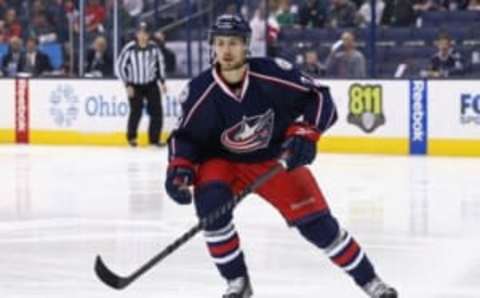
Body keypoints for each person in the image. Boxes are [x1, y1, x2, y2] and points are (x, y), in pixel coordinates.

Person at [164, 14, 397, 298]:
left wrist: (306, 133)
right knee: (211, 209)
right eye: (221, 43)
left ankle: (370, 282)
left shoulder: (272, 73)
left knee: (319, 226)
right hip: (222, 162)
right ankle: (237, 282)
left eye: (234, 43)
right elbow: (184, 137)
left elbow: (320, 97)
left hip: (273, 159)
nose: (226, 51)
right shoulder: (200, 91)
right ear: (212, 47)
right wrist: (180, 170)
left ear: (247, 46)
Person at [116, 21, 167, 147]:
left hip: (151, 84)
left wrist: (162, 81)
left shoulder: (154, 48)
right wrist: (127, 84)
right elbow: (119, 67)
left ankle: (154, 140)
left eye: (145, 33)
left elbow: (160, 64)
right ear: (136, 34)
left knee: (156, 111)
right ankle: (131, 138)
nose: (143, 36)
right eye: (140, 33)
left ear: (149, 35)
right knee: (136, 111)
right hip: (134, 85)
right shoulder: (130, 48)